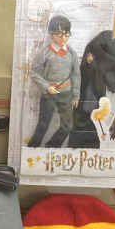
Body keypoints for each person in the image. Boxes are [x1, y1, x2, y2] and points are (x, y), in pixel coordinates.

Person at [27, 15, 80, 148]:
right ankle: (32, 149)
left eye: (67, 34)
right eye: (59, 35)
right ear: (51, 35)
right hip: (49, 93)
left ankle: (52, 147)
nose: (63, 38)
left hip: (66, 93)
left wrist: (76, 95)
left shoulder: (72, 53)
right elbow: (34, 72)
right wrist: (46, 86)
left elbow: (76, 74)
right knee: (43, 124)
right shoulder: (45, 52)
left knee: (67, 126)